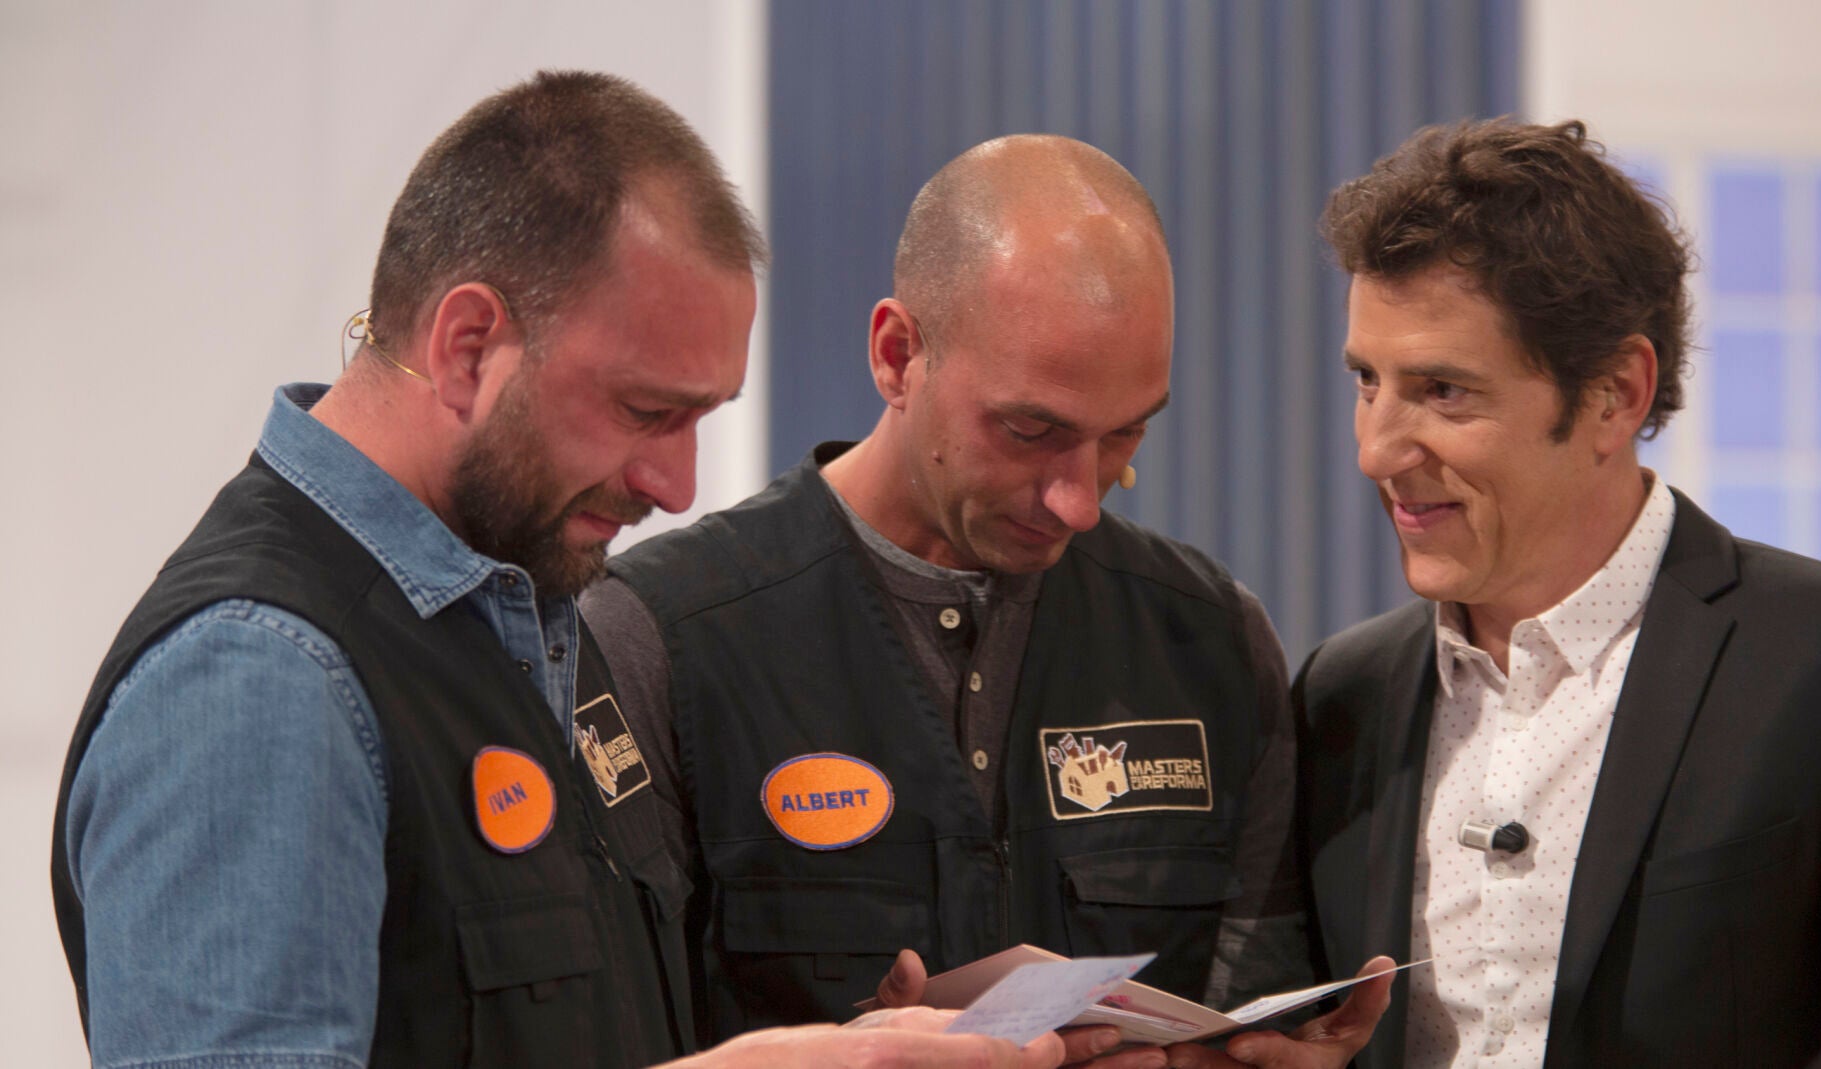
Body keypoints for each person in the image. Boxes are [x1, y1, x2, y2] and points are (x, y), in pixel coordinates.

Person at [51, 70, 1063, 1069]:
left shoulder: (528, 605)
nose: (676, 484)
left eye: (701, 417)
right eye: (644, 410)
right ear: (468, 345)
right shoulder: (258, 681)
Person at [582, 134, 1391, 1069]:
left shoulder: (1208, 640)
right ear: (897, 354)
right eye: (1031, 429)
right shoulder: (664, 638)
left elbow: (1250, 1007)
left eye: (1125, 434)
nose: (1079, 500)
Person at [1296, 117, 1821, 1068]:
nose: (1377, 448)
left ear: (1616, 393)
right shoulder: (1340, 693)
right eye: (1368, 380)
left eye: (1444, 391)